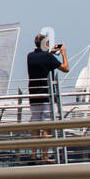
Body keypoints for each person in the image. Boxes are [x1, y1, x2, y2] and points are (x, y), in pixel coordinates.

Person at [26, 33, 70, 163]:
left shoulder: (30, 56)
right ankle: (45, 157)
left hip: (33, 96)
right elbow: (65, 68)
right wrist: (63, 53)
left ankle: (33, 155)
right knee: (46, 126)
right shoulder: (48, 57)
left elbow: (42, 60)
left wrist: (50, 53)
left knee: (35, 125)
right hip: (46, 96)